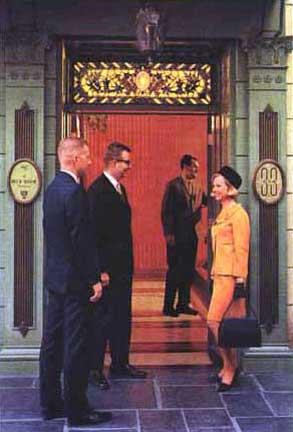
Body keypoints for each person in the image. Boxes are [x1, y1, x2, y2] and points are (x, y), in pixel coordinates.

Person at [39, 137, 112, 426]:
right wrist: (94, 279)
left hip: (55, 279)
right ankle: (78, 410)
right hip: (74, 284)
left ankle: (50, 404)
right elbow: (81, 242)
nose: (90, 161)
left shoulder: (52, 190)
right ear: (73, 159)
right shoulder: (75, 193)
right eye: (86, 156)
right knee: (76, 346)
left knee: (51, 344)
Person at [88, 141, 147, 390]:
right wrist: (100, 270)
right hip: (108, 272)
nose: (129, 167)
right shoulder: (98, 191)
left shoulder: (119, 188)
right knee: (102, 321)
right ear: (113, 162)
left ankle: (120, 363)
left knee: (122, 317)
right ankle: (95, 370)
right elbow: (93, 234)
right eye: (126, 162)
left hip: (122, 269)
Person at [207, 165, 250, 392]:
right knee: (221, 324)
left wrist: (241, 282)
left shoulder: (238, 214)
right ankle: (229, 364)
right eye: (214, 185)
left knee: (214, 321)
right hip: (219, 274)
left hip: (231, 277)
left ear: (230, 189)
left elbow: (242, 250)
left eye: (218, 185)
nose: (214, 189)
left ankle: (230, 366)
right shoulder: (223, 213)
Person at [161, 154, 207, 317]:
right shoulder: (173, 186)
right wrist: (169, 234)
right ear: (186, 167)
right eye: (194, 167)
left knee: (188, 271)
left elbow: (205, 202)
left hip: (191, 236)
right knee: (174, 271)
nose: (196, 170)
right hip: (176, 237)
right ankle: (168, 306)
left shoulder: (198, 186)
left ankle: (183, 304)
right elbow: (166, 212)